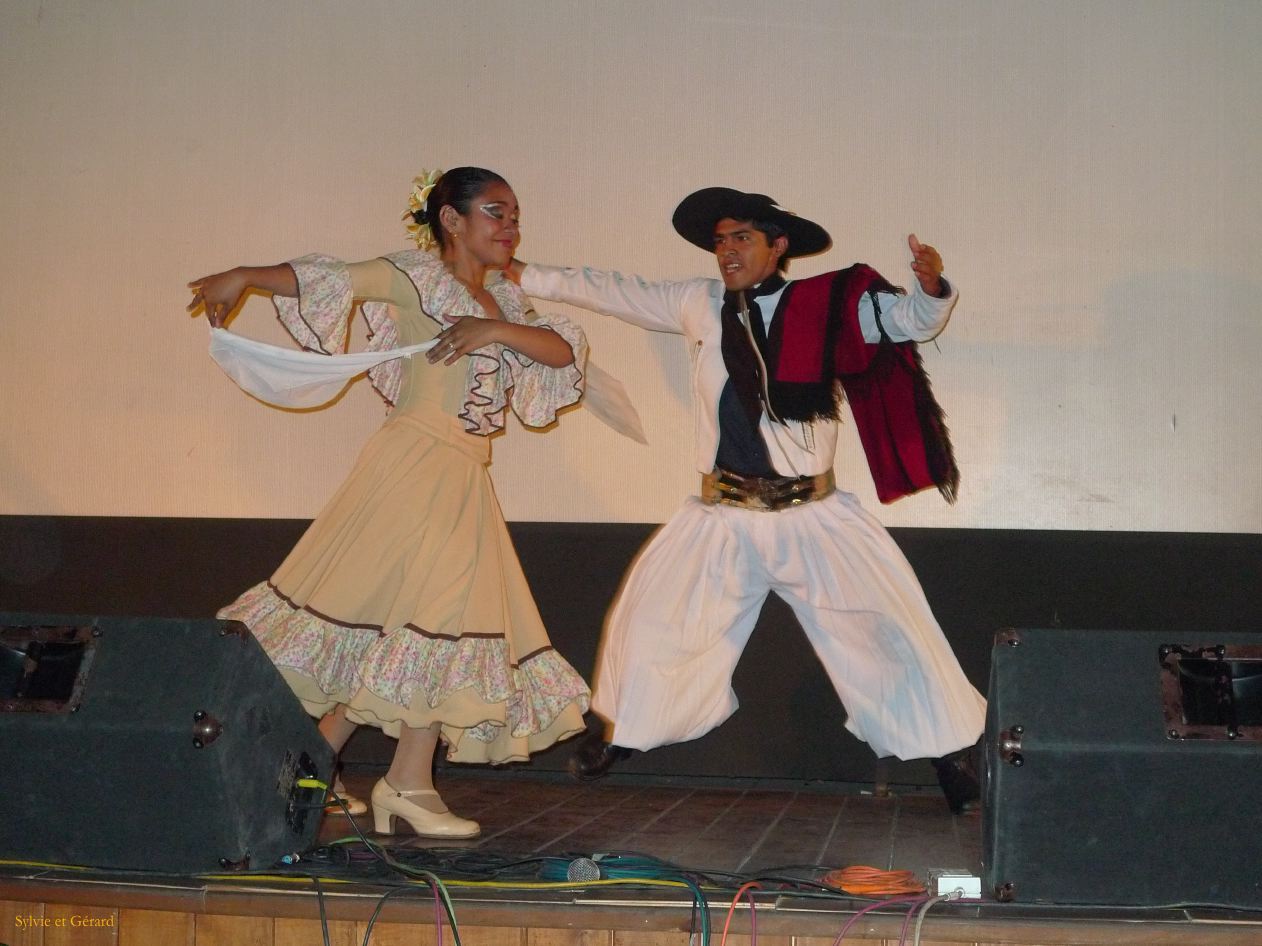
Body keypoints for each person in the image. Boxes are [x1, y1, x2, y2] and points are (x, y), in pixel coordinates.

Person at [507, 186, 986, 813]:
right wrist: (523, 274)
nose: (727, 251)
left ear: (777, 246)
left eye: (742, 239)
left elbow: (908, 322)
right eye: (721, 241)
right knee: (654, 619)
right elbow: (613, 289)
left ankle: (947, 755)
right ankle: (624, 735)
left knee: (884, 631)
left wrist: (929, 288)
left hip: (811, 516)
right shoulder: (696, 302)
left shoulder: (823, 305)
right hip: (722, 516)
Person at [187, 167, 592, 838]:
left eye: (515, 213)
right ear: (452, 221)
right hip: (414, 461)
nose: (510, 225)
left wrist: (493, 332)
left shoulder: (504, 302)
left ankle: (318, 763)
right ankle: (403, 780)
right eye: (496, 212)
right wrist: (245, 273)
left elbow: (559, 350)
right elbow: (334, 277)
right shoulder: (414, 276)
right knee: (439, 614)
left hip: (460, 470)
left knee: (410, 622)